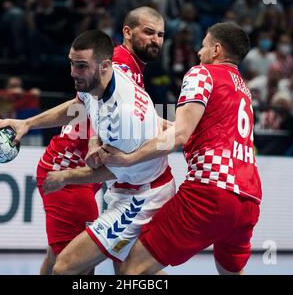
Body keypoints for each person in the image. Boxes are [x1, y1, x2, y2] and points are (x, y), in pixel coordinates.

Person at [0, 30, 175, 275]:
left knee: (68, 268)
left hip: (141, 195)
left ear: (105, 64)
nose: (73, 72)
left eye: (81, 66)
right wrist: (27, 123)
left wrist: (64, 177)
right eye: (72, 63)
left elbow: (107, 171)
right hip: (132, 186)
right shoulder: (108, 77)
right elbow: (81, 106)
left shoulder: (123, 118)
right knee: (124, 268)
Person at [100, 22, 262, 275]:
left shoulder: (203, 73)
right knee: (231, 272)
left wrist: (130, 158)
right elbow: (204, 129)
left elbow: (180, 135)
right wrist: (155, 122)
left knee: (131, 269)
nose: (199, 52)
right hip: (249, 201)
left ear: (216, 49)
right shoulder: (243, 90)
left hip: (210, 192)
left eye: (204, 45)